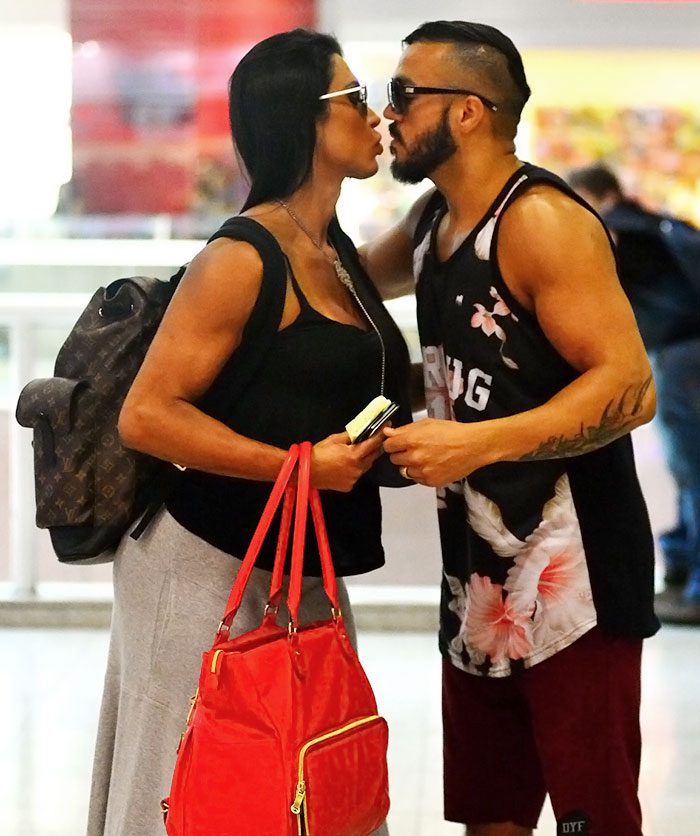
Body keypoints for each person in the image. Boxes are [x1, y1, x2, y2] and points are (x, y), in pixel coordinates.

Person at [85, 28, 411, 836]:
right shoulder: (242, 255)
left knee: (309, 780)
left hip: (304, 559)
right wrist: (298, 467)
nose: (376, 116)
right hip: (203, 561)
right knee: (185, 786)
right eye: (357, 98)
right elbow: (147, 416)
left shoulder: (335, 253)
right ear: (304, 118)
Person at [359, 20, 659, 836]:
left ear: (467, 112)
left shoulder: (541, 222)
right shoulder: (429, 223)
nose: (387, 115)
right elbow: (333, 275)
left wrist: (475, 442)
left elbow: (631, 389)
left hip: (578, 579)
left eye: (402, 95)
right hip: (478, 576)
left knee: (592, 817)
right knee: (491, 818)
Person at [568, 163, 700, 625]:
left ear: (594, 194)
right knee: (690, 468)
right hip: (686, 350)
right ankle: (685, 575)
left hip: (681, 354)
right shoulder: (652, 221)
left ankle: (694, 585)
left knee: (691, 469)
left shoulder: (614, 229)